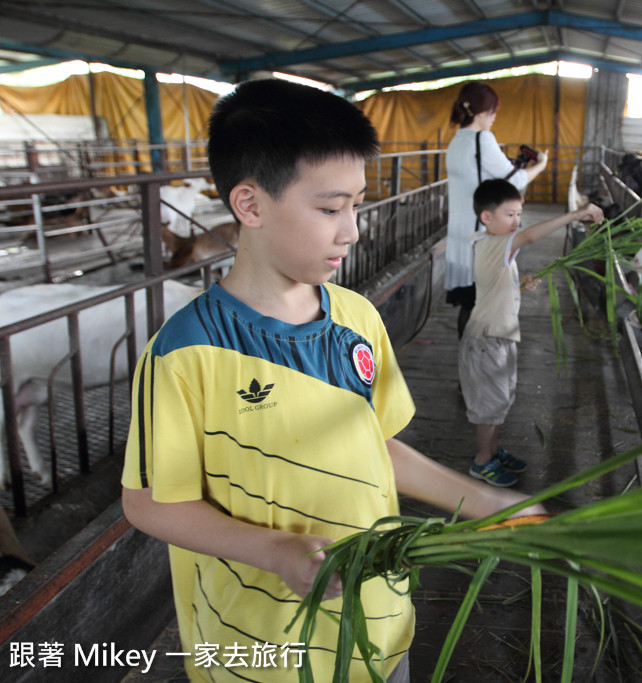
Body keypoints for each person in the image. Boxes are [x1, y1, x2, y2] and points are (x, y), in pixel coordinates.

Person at [120, 79, 543, 683]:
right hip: (264, 649)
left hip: (377, 620)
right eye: (329, 208)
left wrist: (478, 500)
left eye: (355, 205)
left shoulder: (357, 317)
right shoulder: (186, 353)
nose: (352, 230)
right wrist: (271, 549)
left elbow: (375, 447)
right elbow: (150, 501)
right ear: (251, 205)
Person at [460, 179, 603, 487]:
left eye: (519, 214)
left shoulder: (496, 246)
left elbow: (494, 284)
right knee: (489, 406)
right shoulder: (491, 243)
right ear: (487, 218)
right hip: (487, 341)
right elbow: (530, 237)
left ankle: (493, 451)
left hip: (501, 338)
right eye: (510, 214)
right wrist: (575, 215)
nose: (518, 221)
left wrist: (520, 285)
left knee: (500, 402)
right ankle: (482, 461)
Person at [445, 81, 548, 339]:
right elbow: (516, 181)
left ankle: (466, 368)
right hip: (481, 235)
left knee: (470, 302)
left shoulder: (457, 141)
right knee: (483, 304)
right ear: (482, 112)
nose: (494, 118)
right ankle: (475, 367)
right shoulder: (483, 139)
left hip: (458, 235)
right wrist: (541, 165)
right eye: (493, 112)